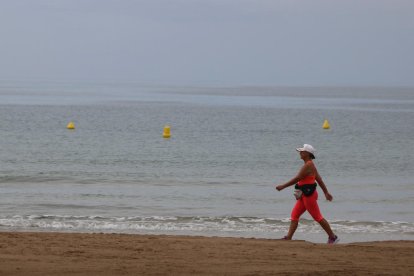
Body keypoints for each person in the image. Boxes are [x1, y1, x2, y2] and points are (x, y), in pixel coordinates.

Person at [275, 144, 339, 244]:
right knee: (294, 215)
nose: (300, 153)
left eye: (302, 151)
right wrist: (326, 192)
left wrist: (283, 186)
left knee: (317, 217)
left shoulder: (308, 165)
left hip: (309, 195)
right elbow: (319, 180)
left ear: (308, 154)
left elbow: (298, 178)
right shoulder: (310, 165)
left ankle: (333, 237)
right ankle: (289, 237)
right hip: (303, 195)